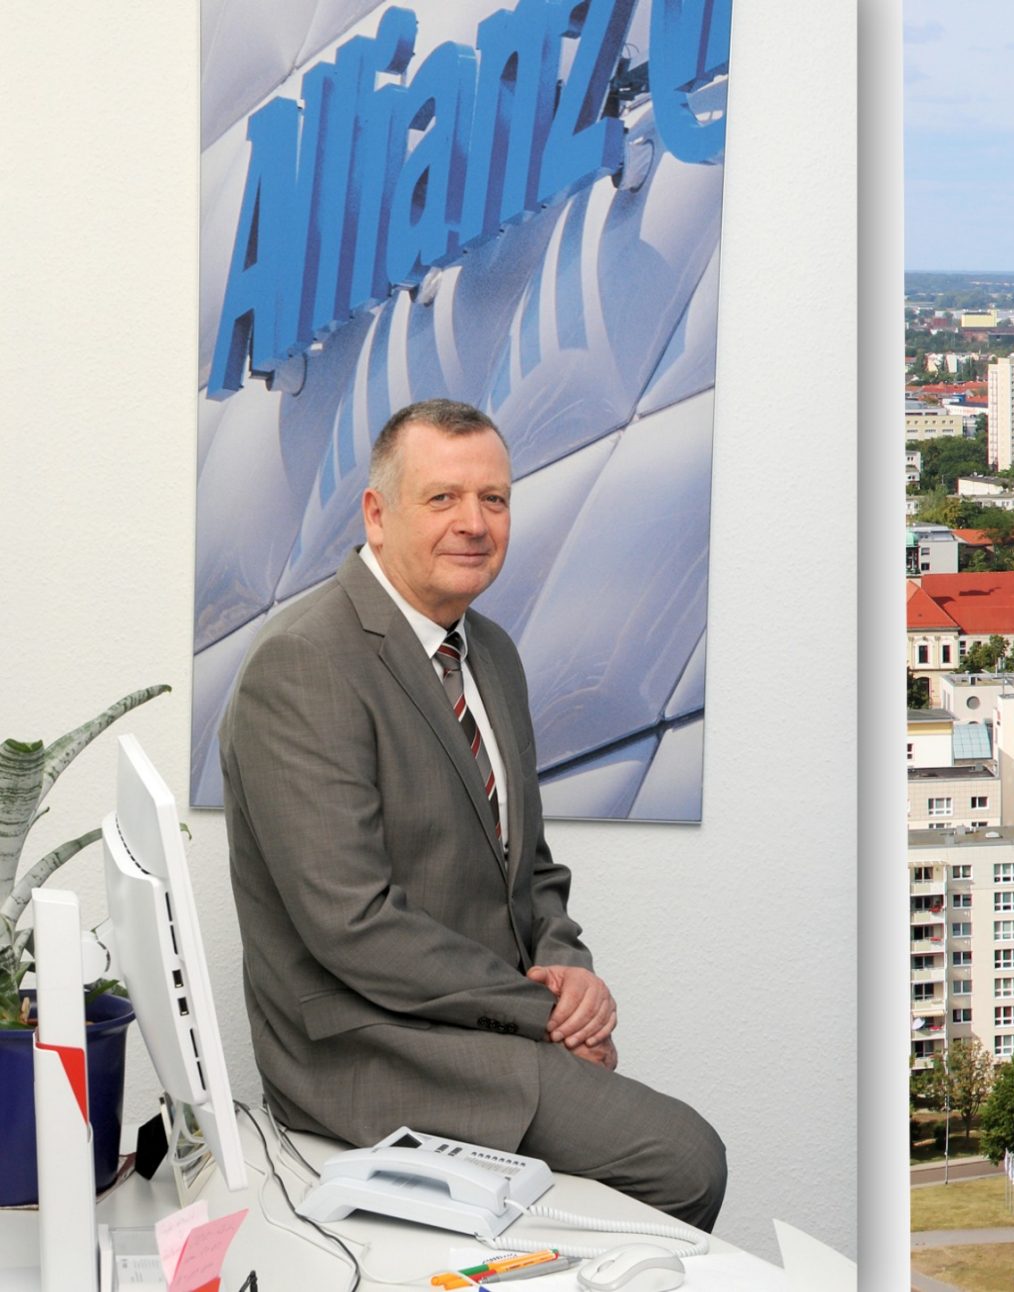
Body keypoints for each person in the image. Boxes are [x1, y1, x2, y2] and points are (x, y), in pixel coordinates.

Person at [219, 400, 726, 1228]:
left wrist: (572, 970)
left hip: (487, 1029)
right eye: (443, 498)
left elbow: (529, 867)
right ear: (377, 515)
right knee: (686, 1161)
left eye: (494, 499)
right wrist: (548, 1014)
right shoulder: (303, 664)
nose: (475, 523)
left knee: (663, 1172)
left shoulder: (488, 650)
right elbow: (353, 922)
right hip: (374, 1050)